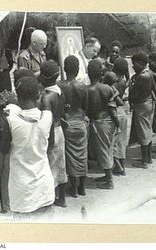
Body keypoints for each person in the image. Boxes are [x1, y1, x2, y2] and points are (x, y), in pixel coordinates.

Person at [0, 76, 55, 220]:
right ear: (38, 95)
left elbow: (4, 149)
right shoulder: (48, 116)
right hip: (45, 187)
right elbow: (51, 146)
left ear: (17, 97)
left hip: (22, 191)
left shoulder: (10, 120)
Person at [58, 55, 88, 198]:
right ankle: (82, 187)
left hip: (68, 124)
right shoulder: (82, 86)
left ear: (64, 69)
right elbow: (85, 106)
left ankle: (73, 188)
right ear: (78, 69)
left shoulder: (60, 86)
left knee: (70, 157)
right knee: (82, 155)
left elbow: (60, 107)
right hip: (81, 123)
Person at [40, 60, 68, 207]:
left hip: (51, 132)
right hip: (60, 130)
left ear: (43, 77)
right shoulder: (60, 90)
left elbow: (47, 120)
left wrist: (48, 141)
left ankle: (50, 199)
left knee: (49, 166)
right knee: (60, 165)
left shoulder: (46, 97)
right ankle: (62, 197)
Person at [86, 59, 118, 189]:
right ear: (101, 74)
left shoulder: (87, 90)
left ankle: (109, 181)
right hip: (109, 121)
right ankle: (107, 175)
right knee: (107, 149)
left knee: (103, 151)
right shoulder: (107, 88)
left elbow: (86, 108)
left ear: (88, 73)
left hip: (98, 122)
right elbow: (113, 107)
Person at [129, 52, 156, 168]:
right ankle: (148, 158)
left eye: (134, 64)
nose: (133, 67)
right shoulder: (149, 73)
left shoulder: (141, 77)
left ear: (140, 63)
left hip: (141, 105)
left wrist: (131, 87)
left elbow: (134, 94)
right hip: (149, 103)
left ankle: (144, 161)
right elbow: (154, 88)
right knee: (147, 130)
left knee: (143, 133)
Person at [111, 58, 130, 175]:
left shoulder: (113, 82)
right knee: (122, 141)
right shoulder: (123, 82)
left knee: (113, 141)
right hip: (122, 112)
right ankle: (122, 166)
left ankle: (118, 166)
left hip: (114, 111)